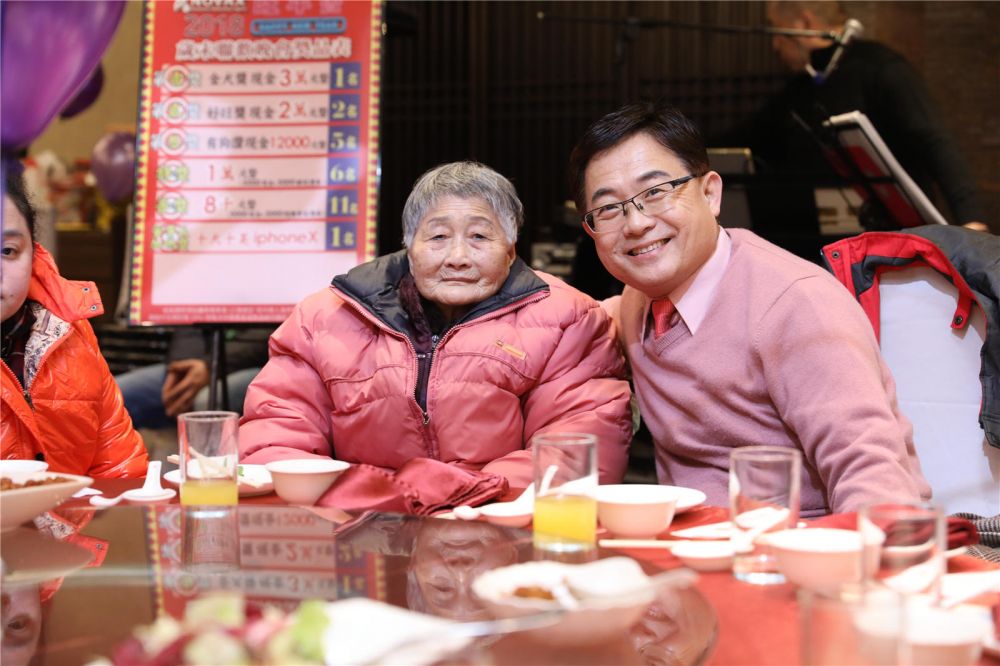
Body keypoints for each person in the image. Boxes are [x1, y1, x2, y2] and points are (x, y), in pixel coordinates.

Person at [568, 102, 930, 516]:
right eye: (609, 209)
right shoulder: (637, 302)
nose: (636, 224)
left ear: (710, 193)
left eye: (655, 192)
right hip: (692, 539)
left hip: (797, 540)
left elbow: (872, 473)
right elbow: (566, 323)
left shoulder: (796, 304)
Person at [240, 161, 631, 489]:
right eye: (438, 236)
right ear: (410, 247)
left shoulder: (567, 318)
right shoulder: (323, 318)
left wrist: (445, 497)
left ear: (510, 250)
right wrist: (359, 503)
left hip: (501, 530)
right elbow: (276, 434)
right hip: (360, 529)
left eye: (479, 236)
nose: (458, 256)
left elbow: (576, 452)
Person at [730, 1, 988, 231]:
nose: (775, 45)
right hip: (815, 239)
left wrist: (971, 219)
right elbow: (750, 135)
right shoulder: (801, 88)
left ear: (804, 24)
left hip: (895, 235)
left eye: (777, 31)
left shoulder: (881, 67)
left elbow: (935, 141)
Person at [1, 163, 146, 477]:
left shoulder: (69, 331)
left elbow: (120, 468)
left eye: (7, 250)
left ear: (34, 255)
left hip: (75, 511)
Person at [115, 327, 271, 428]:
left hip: (254, 364)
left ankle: (212, 467)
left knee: (206, 401)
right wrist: (182, 366)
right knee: (114, 396)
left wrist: (209, 366)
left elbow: (273, 332)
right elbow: (187, 321)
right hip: (194, 362)